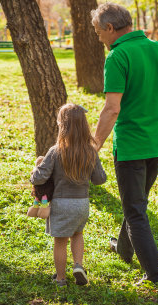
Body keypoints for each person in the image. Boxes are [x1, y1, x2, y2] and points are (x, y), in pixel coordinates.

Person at [91, 3, 158, 286]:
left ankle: (155, 275)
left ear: (110, 28)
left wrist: (94, 144)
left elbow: (111, 109)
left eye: (98, 32)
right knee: (136, 204)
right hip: (157, 144)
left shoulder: (118, 56)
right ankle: (122, 248)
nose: (98, 38)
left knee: (135, 211)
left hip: (131, 146)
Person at [30, 104, 107, 287]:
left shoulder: (56, 151)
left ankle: (60, 279)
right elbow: (100, 179)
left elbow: (39, 179)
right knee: (78, 234)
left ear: (61, 125)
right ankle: (78, 266)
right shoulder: (90, 152)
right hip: (82, 204)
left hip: (61, 205)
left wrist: (35, 169)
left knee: (60, 241)